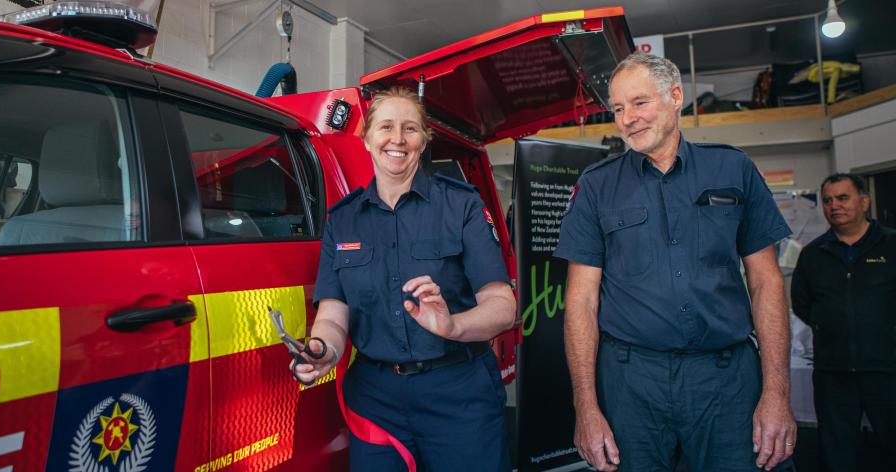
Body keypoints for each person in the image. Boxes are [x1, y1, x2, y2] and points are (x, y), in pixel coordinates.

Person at [553, 52, 797, 472]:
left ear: (676, 97)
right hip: (631, 382)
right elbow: (581, 302)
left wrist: (777, 394)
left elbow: (766, 283)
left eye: (640, 102)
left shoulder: (733, 168)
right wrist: (586, 408)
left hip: (726, 377)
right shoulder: (596, 187)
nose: (627, 118)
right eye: (617, 108)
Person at [291, 86, 517, 471]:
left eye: (410, 129)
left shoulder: (460, 205)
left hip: (458, 395)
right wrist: (323, 352)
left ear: (424, 140)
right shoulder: (342, 220)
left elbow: (502, 306)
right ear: (366, 138)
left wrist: (453, 325)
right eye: (386, 127)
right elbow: (332, 314)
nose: (397, 139)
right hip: (378, 401)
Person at [791, 173, 896, 471]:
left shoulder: (891, 245)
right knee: (836, 454)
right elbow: (802, 302)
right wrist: (830, 326)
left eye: (843, 198)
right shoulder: (813, 254)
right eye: (827, 200)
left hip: (887, 370)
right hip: (833, 373)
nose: (834, 205)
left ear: (865, 201)